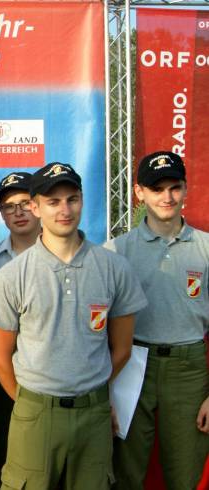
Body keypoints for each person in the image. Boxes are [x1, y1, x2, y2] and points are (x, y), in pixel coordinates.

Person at [0, 162, 147, 490]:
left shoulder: (114, 268)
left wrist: (90, 388)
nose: (64, 210)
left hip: (94, 415)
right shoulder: (12, 275)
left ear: (82, 200)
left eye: (72, 199)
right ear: (35, 207)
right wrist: (33, 404)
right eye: (53, 202)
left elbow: (123, 348)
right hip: (35, 413)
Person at [105, 151, 208, 490]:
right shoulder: (116, 252)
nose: (166, 197)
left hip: (188, 368)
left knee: (185, 472)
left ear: (185, 189)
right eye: (156, 188)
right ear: (139, 192)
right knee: (127, 469)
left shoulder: (206, 248)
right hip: (132, 362)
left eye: (174, 187)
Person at [0, 171, 40, 490]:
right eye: (9, 206)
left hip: (52, 375)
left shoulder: (71, 252)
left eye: (25, 203)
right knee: (4, 459)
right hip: (7, 372)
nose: (18, 212)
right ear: (2, 214)